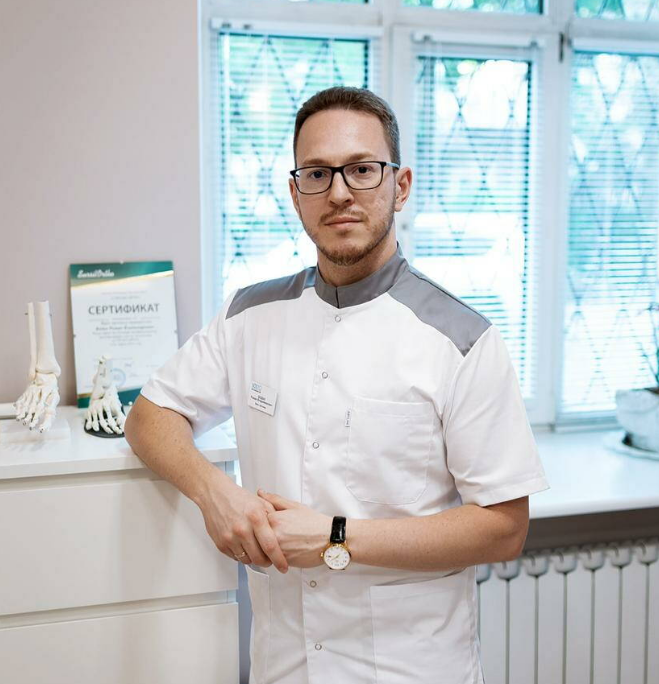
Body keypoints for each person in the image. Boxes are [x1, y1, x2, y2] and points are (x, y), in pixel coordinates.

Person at [124, 86, 550, 684]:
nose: (340, 192)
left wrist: (335, 538)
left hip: (411, 669)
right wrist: (216, 494)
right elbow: (149, 416)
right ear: (295, 194)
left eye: (362, 169)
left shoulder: (461, 340)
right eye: (318, 174)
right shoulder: (249, 316)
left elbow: (505, 527)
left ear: (400, 185)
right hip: (285, 665)